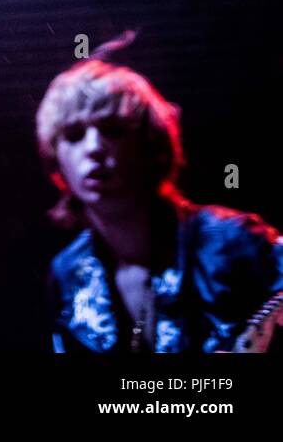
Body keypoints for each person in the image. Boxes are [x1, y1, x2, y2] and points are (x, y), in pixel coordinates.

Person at [37, 34, 283, 352]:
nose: (94, 148)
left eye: (113, 129)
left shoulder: (233, 240)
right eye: (74, 135)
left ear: (150, 144)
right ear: (55, 159)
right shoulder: (68, 273)